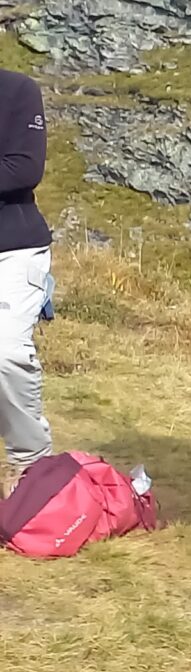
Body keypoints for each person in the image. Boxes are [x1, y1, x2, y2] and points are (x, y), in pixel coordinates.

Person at [0, 66, 52, 475]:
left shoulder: (17, 89)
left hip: (13, 248)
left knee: (6, 354)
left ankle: (30, 466)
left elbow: (24, 168)